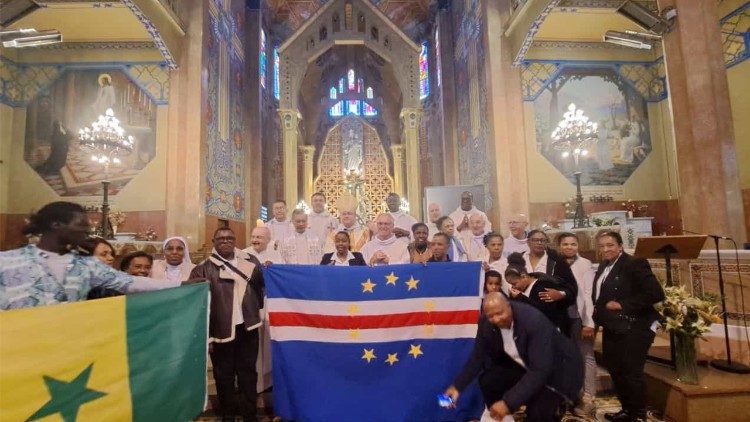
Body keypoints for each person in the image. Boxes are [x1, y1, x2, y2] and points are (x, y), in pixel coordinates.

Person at [0, 202, 185, 310]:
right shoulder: (7, 261)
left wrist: (180, 285)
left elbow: (131, 283)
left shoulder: (86, 266)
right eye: (81, 226)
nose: (86, 232)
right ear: (56, 224)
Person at [444, 293, 583, 422]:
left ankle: (555, 409)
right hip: (526, 365)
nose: (496, 319)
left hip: (559, 372)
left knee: (538, 413)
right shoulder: (485, 322)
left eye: (500, 313)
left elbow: (540, 370)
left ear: (509, 305)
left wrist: (508, 402)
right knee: (490, 381)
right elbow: (477, 357)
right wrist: (457, 386)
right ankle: (503, 417)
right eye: (491, 316)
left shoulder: (533, 321)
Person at [189, 227, 265, 422]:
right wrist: (207, 336)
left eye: (230, 238)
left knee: (248, 375)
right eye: (221, 238)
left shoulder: (251, 263)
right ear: (214, 241)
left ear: (235, 241)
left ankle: (250, 416)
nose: (226, 241)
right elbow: (198, 308)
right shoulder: (201, 269)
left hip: (247, 329)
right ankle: (228, 416)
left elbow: (259, 290)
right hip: (220, 332)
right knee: (224, 378)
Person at [593, 231, 664, 422]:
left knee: (631, 372)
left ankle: (638, 415)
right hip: (613, 326)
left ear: (620, 246)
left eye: (610, 245)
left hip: (635, 327)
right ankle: (626, 410)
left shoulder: (634, 263)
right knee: (616, 370)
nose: (605, 249)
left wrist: (623, 304)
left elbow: (655, 293)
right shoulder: (604, 265)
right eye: (602, 246)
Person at [557, 232, 597, 417]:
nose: (569, 247)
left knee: (585, 355)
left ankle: (589, 397)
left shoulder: (585, 264)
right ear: (559, 246)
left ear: (578, 246)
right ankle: (571, 395)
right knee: (566, 357)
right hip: (561, 317)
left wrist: (589, 322)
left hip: (579, 317)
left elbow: (588, 294)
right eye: (565, 244)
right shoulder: (556, 263)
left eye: (573, 244)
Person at [504, 253, 576, 335]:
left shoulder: (543, 286)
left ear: (524, 276)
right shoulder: (519, 291)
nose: (513, 287)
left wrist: (521, 298)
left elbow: (543, 313)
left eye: (515, 283)